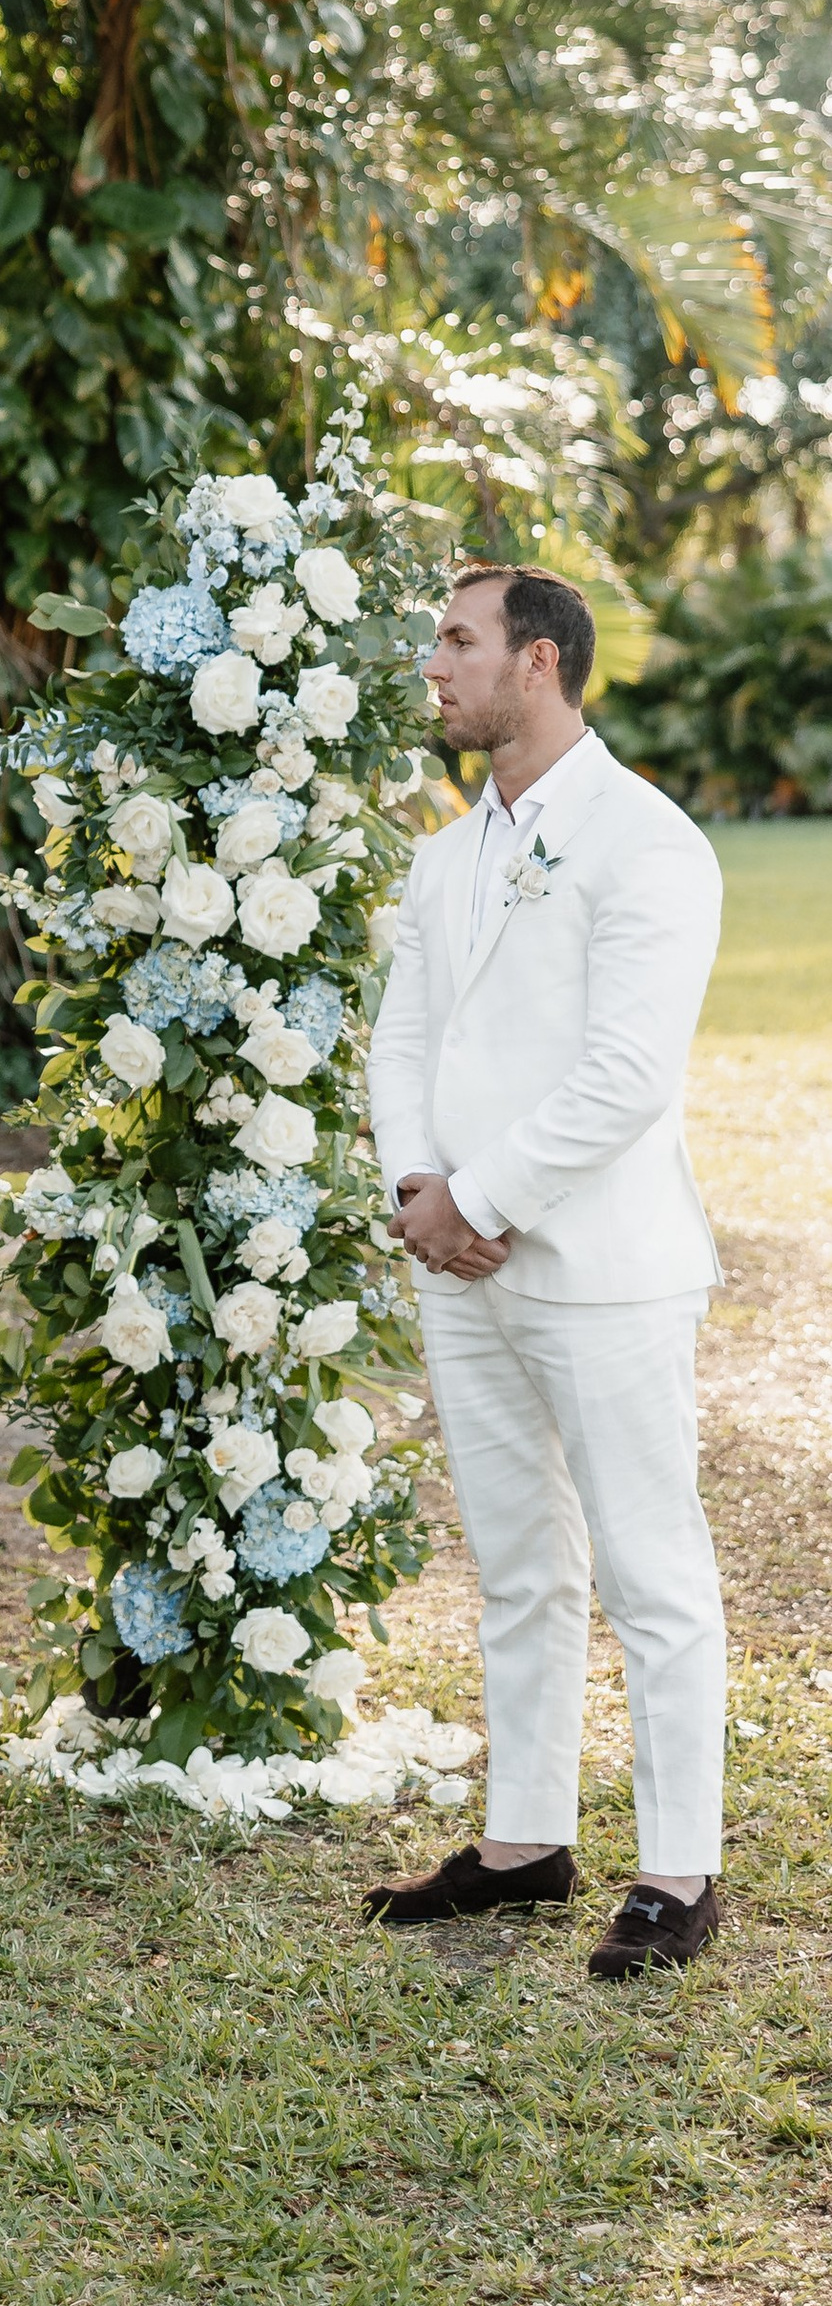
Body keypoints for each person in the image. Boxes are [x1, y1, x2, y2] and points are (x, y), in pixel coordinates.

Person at [363, 561, 727, 1979]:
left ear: (540, 661)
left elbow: (629, 1074)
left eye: (456, 642)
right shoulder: (443, 856)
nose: (434, 667)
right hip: (461, 1266)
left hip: (605, 1267)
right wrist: (419, 1197)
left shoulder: (650, 843)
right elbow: (403, 1042)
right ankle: (526, 1844)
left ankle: (680, 1869)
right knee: (518, 1562)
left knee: (651, 1567)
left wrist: (485, 1196)